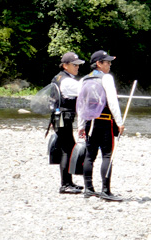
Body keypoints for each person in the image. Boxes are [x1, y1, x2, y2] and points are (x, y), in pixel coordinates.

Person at [78, 50, 125, 201]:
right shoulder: (107, 78)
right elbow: (112, 101)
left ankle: (89, 189)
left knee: (90, 156)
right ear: (99, 63)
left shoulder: (83, 80)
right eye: (107, 62)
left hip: (88, 122)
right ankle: (106, 190)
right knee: (107, 155)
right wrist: (119, 122)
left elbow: (81, 106)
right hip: (104, 122)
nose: (110, 65)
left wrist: (79, 126)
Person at [52, 51, 85, 194]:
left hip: (58, 118)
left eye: (78, 65)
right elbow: (85, 91)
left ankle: (68, 182)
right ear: (65, 66)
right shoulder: (68, 81)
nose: (77, 67)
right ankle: (65, 184)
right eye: (74, 65)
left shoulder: (58, 77)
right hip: (63, 119)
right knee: (67, 148)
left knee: (67, 147)